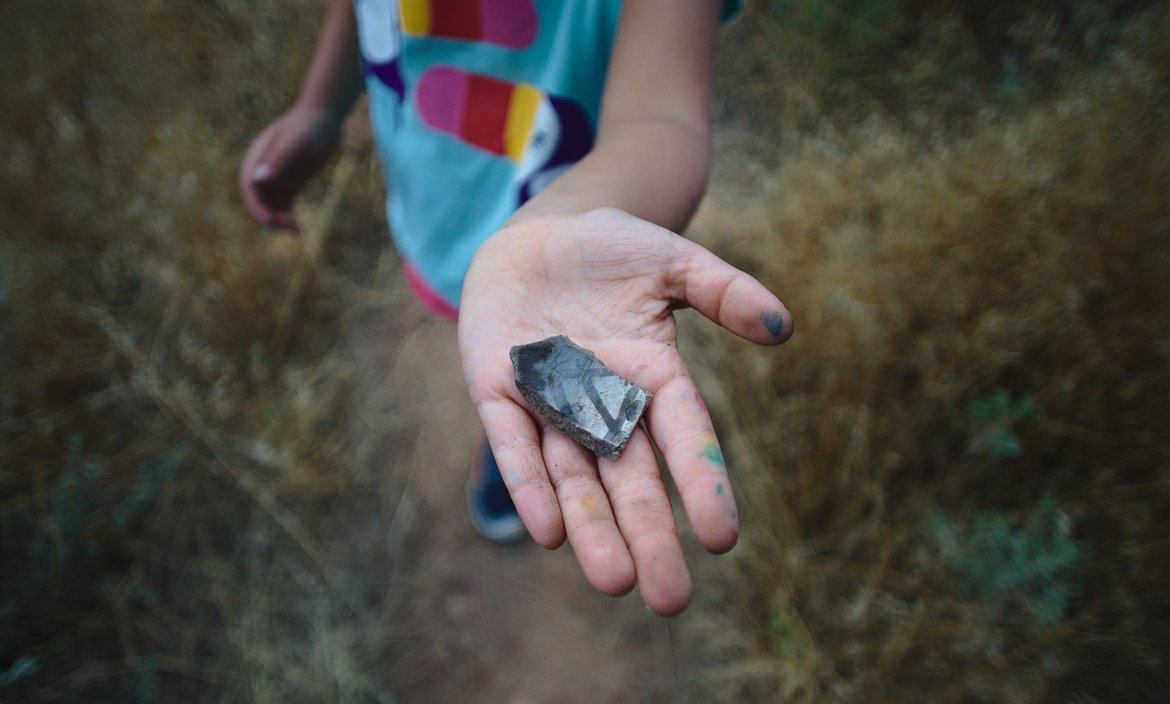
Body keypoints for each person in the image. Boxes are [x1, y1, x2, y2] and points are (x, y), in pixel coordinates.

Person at [240, 0, 793, 616]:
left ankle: (508, 445)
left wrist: (565, 217)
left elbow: (661, 119)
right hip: (434, 214)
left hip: (550, 243)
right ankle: (513, 425)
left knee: (504, 360)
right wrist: (321, 105)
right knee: (485, 339)